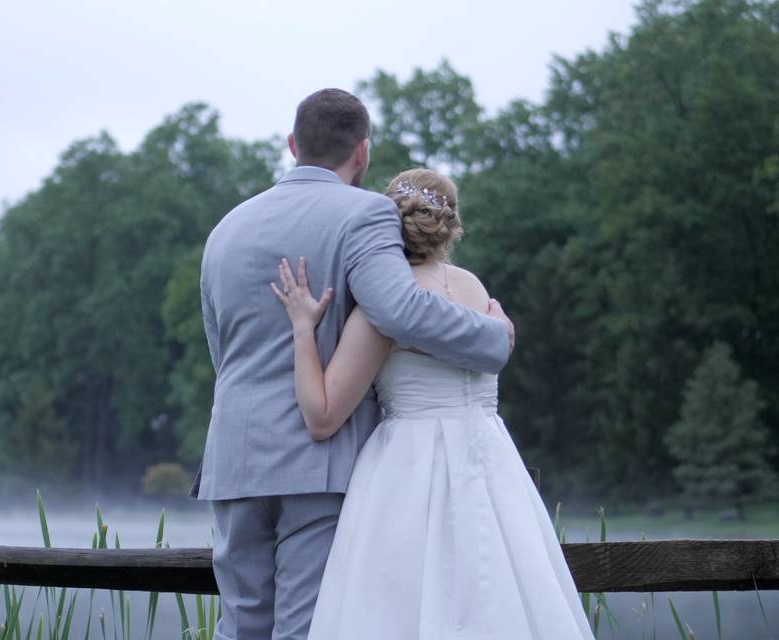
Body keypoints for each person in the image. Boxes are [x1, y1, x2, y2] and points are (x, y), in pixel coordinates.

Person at [192, 88, 514, 640]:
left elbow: (221, 349)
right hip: (317, 461)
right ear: (361, 153)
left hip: (233, 458)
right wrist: (494, 337)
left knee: (240, 626)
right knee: (302, 628)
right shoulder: (367, 212)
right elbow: (401, 309)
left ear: (292, 145)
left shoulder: (227, 229)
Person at [270, 168, 594, 639]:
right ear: (451, 224)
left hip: (407, 475)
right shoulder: (475, 290)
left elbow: (321, 417)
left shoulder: (384, 308)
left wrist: (303, 328)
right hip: (491, 465)